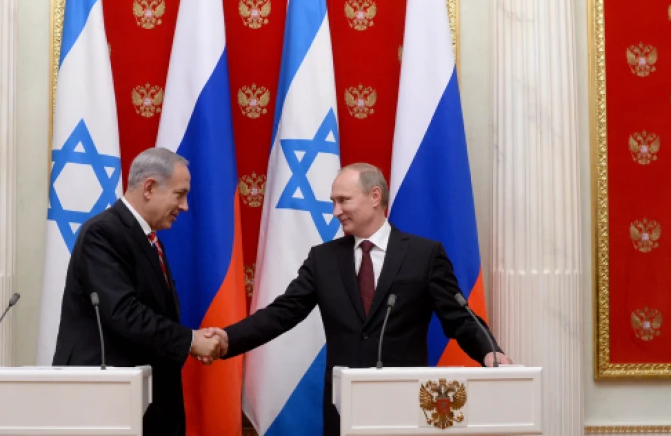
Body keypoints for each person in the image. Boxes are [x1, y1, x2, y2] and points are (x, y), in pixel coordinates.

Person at [205, 162, 511, 436]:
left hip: (404, 402)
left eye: (343, 200)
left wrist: (489, 353)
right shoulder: (323, 259)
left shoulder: (424, 255)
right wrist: (227, 339)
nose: (336, 211)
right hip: (343, 406)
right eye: (334, 202)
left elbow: (458, 316)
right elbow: (283, 312)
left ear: (375, 197)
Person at [53, 147, 224, 436]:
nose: (185, 207)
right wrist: (190, 341)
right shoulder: (103, 233)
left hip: (144, 400)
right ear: (149, 188)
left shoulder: (145, 237)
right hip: (108, 403)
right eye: (179, 194)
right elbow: (123, 312)